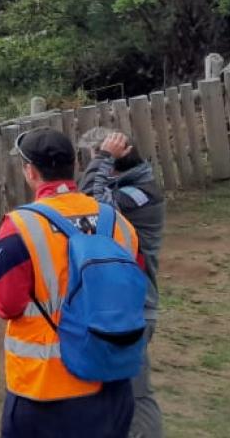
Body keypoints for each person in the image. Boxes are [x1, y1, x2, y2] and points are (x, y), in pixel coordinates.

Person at [0, 127, 142, 438]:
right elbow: (135, 287)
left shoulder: (19, 227)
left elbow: (7, 303)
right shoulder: (116, 222)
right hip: (111, 380)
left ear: (30, 171)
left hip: (44, 388)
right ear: (76, 166)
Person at [78, 129, 165, 438]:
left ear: (114, 163)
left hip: (136, 309)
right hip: (121, 307)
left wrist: (102, 158)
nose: (92, 168)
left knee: (136, 394)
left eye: (96, 161)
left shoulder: (141, 193)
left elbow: (90, 207)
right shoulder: (128, 186)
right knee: (112, 391)